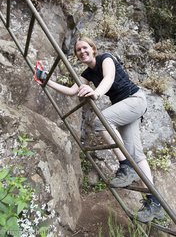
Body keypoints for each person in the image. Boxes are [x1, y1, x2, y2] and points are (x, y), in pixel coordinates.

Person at [35, 36, 164, 223]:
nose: (82, 52)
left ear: (93, 49)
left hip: (135, 100)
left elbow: (109, 78)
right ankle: (155, 203)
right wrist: (45, 79)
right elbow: (72, 90)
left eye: (85, 48)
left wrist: (96, 93)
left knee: (101, 122)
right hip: (126, 108)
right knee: (137, 156)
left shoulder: (106, 58)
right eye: (78, 50)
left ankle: (126, 167)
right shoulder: (87, 73)